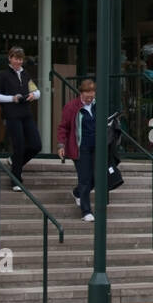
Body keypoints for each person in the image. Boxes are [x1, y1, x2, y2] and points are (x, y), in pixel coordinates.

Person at [0, 47, 42, 192]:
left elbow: (36, 91)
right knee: (19, 146)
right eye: (15, 58)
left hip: (26, 113)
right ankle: (16, 179)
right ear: (10, 58)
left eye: (20, 59)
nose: (18, 62)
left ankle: (14, 161)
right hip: (12, 115)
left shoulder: (25, 74)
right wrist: (11, 98)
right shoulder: (4, 76)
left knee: (36, 145)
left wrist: (34, 96)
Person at [57, 79, 96, 222]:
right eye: (87, 97)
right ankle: (86, 211)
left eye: (92, 96)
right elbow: (63, 127)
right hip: (80, 148)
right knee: (84, 179)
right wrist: (61, 145)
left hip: (96, 147)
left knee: (97, 177)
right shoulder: (71, 107)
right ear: (81, 94)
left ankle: (77, 192)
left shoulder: (97, 105)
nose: (89, 99)